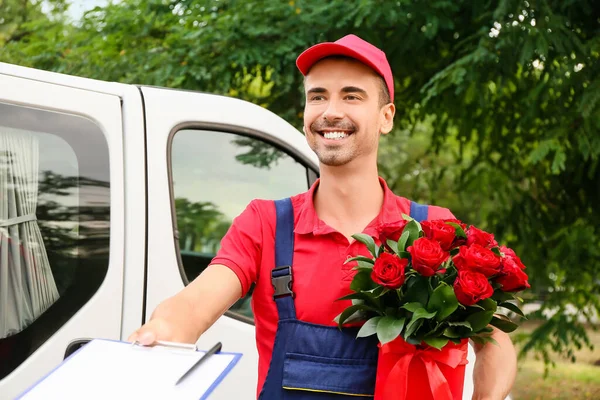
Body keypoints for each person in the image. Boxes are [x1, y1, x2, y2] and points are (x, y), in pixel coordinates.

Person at [129, 34, 517, 399]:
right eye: (318, 97)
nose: (330, 112)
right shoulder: (265, 225)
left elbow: (495, 339)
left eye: (351, 96)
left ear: (386, 116)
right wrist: (162, 331)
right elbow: (195, 304)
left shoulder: (434, 231)